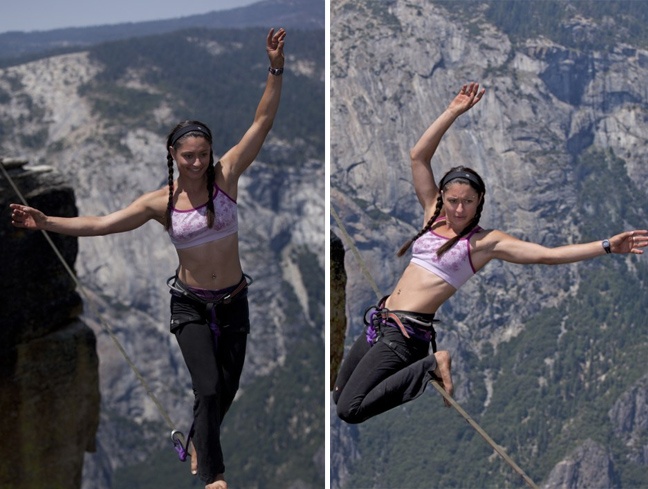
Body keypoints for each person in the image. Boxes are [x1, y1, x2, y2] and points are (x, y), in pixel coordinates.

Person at [10, 27, 287, 489]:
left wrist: (274, 68)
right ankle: (214, 478)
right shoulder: (161, 203)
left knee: (224, 394)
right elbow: (101, 223)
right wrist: (46, 222)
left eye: (202, 154)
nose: (196, 163)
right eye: (188, 156)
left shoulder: (227, 176)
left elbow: (262, 122)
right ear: (173, 156)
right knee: (209, 388)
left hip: (234, 301)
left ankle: (202, 441)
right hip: (191, 305)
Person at [333, 82, 648, 425]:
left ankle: (431, 366)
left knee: (350, 410)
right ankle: (424, 366)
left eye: (468, 202)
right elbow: (418, 156)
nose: (459, 208)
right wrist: (452, 112)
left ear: (479, 203)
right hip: (383, 320)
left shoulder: (483, 244)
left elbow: (548, 254)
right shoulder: (432, 215)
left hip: (406, 336)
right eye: (453, 200)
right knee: (339, 393)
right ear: (443, 197)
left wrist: (605, 246)